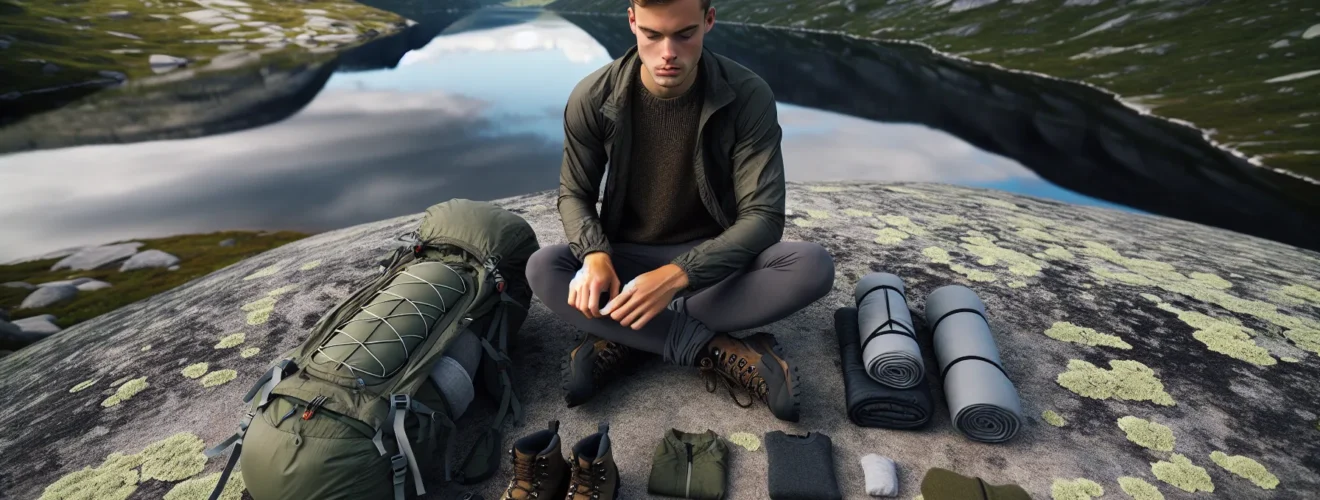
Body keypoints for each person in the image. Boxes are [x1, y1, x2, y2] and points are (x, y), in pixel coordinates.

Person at [525, 0, 834, 422]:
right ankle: (723, 349)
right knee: (544, 267)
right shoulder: (592, 96)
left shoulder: (748, 94)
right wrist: (595, 254)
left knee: (812, 266)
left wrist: (676, 278)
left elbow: (763, 217)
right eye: (652, 35)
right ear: (632, 20)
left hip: (713, 268)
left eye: (684, 34)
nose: (667, 52)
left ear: (709, 20)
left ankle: (626, 337)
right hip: (626, 266)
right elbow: (574, 193)